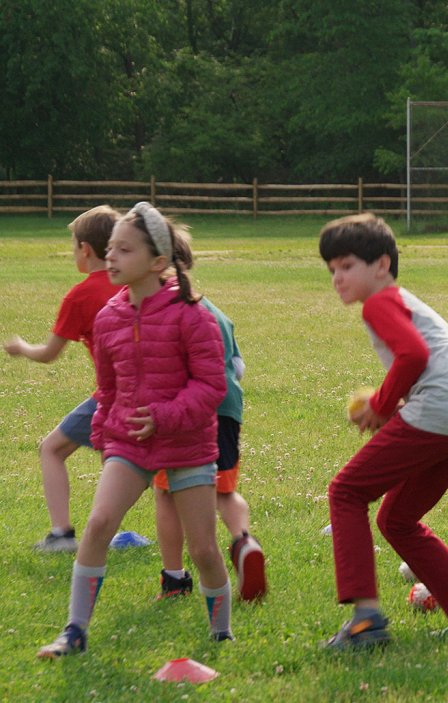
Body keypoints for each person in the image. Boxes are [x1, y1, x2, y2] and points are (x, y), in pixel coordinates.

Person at [37, 202, 231, 658]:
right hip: (129, 443)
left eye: (124, 250)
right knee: (99, 523)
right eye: (109, 249)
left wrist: (164, 416)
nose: (111, 258)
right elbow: (106, 389)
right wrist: (106, 437)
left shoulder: (192, 315)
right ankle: (75, 631)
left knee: (202, 550)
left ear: (158, 262)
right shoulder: (108, 317)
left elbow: (211, 386)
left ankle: (221, 632)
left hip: (187, 444)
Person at [318, 213, 448, 651]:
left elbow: (414, 355)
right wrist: (402, 405)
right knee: (396, 519)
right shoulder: (411, 303)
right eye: (331, 270)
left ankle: (365, 621)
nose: (337, 279)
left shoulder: (380, 302)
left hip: (439, 415)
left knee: (346, 492)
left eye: (346, 266)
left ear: (381, 265)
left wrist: (382, 406)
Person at [150, 236, 266, 602]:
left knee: (167, 493)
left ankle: (174, 580)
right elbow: (238, 367)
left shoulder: (161, 310)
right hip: (227, 410)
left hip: (184, 413)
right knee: (224, 490)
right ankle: (244, 542)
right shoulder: (213, 310)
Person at [5, 206, 122, 553]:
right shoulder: (134, 283)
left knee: (51, 449)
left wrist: (22, 347)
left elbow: (49, 353)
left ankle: (61, 534)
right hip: (151, 391)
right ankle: (112, 533)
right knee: (118, 459)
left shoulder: (80, 295)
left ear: (85, 249)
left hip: (112, 396)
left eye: (74, 246)